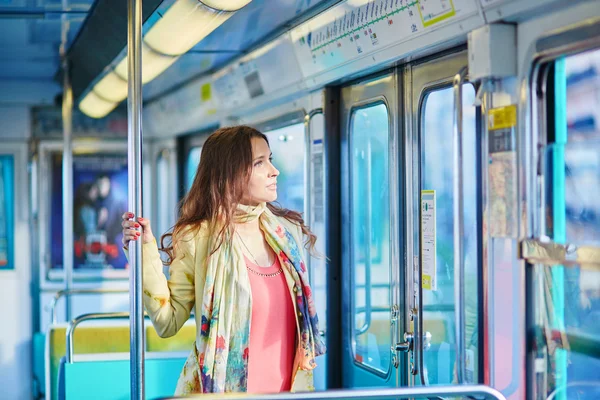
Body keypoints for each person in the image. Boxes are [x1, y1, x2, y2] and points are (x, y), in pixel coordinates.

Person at [121, 126, 326, 395]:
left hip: (291, 392)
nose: (273, 171)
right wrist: (144, 251)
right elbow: (166, 321)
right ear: (231, 173)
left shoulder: (287, 233)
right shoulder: (198, 237)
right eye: (259, 162)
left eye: (271, 159)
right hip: (221, 392)